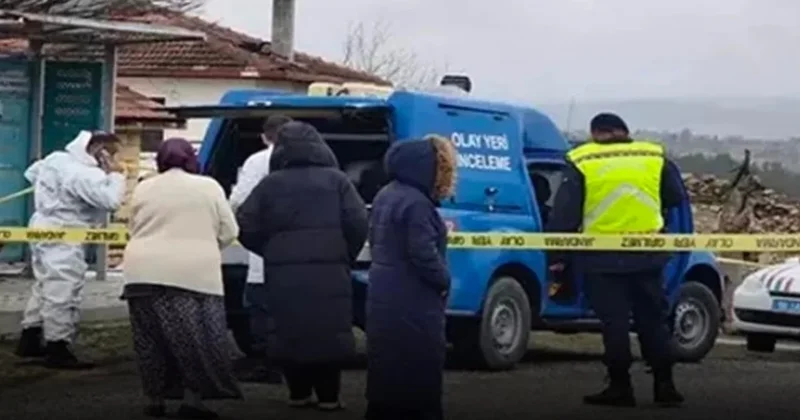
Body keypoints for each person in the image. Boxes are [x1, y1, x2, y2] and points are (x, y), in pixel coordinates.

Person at [546, 113, 685, 407]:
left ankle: (620, 387)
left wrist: (557, 255)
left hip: (602, 256)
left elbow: (565, 212)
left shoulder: (583, 160)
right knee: (653, 319)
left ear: (596, 133)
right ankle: (665, 385)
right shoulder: (652, 155)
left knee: (615, 323)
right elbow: (674, 197)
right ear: (625, 131)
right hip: (648, 252)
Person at [236, 121, 368, 411]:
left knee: (289, 331)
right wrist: (345, 252)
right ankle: (329, 397)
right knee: (328, 331)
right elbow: (358, 222)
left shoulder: (270, 184)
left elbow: (244, 224)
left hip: (283, 273)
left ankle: (298, 393)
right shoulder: (337, 181)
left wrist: (270, 251)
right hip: (331, 272)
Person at [122, 138, 242, 419]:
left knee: (149, 340)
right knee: (193, 341)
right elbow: (229, 230)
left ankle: (154, 400)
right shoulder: (208, 186)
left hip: (140, 274)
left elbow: (132, 228)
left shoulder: (144, 187)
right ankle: (192, 401)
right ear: (191, 159)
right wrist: (205, 246)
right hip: (193, 276)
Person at [365, 135, 457, 420]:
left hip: (384, 298)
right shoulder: (418, 204)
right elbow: (422, 253)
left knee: (386, 374)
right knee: (419, 376)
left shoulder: (386, 194)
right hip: (413, 302)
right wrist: (444, 280)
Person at [16, 130, 126, 369]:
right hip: (66, 230)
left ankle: (30, 336)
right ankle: (58, 346)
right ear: (101, 151)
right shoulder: (83, 174)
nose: (115, 159)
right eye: (113, 153)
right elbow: (111, 200)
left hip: (42, 225)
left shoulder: (56, 159)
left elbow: (31, 174)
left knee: (45, 282)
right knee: (64, 286)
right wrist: (116, 176)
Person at [228, 114, 292, 384]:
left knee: (261, 308)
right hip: (303, 252)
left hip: (264, 251)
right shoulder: (317, 162)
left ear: (264, 136)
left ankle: (266, 364)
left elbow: (239, 199)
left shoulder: (258, 161)